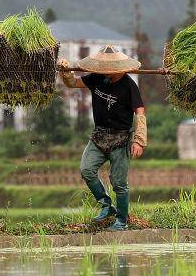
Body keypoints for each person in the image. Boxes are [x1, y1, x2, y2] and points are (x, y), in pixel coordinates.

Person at [58, 45, 147, 231]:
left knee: (119, 182)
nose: (105, 72)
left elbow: (139, 112)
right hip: (99, 136)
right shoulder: (97, 78)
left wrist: (139, 139)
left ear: (118, 68)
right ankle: (106, 205)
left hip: (120, 139)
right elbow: (73, 83)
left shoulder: (129, 85)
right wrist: (65, 72)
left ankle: (121, 221)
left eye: (108, 70)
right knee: (86, 169)